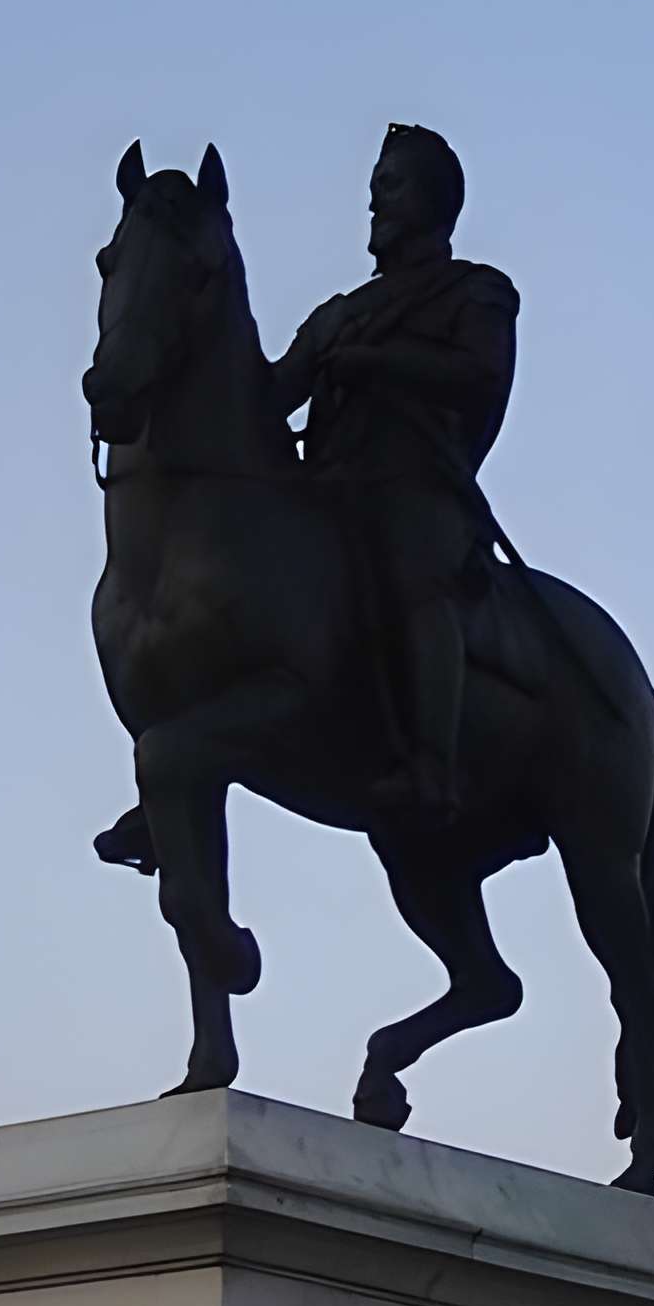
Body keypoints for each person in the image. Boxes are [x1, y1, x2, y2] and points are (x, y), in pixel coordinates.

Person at [270, 123, 519, 820]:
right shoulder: (337, 317)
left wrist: (379, 365)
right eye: (374, 187)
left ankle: (433, 765)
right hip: (324, 492)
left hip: (416, 492)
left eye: (392, 184)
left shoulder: (477, 292)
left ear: (434, 200)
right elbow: (269, 395)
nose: (375, 200)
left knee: (414, 577)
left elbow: (480, 378)